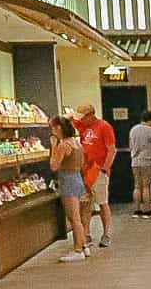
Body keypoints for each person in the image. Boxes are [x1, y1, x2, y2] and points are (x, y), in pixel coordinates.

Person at [73, 103, 117, 248]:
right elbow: (67, 120)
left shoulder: (104, 126)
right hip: (84, 171)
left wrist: (105, 168)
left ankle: (106, 234)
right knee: (85, 203)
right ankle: (86, 234)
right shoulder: (82, 126)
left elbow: (111, 149)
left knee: (102, 202)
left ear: (91, 115)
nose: (80, 121)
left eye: (83, 117)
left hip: (98, 170)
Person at [49, 116, 91, 263]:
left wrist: (54, 146)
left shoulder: (64, 145)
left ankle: (77, 249)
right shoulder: (77, 143)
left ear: (58, 128)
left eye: (53, 128)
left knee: (74, 218)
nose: (52, 131)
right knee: (78, 215)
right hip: (77, 178)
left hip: (67, 180)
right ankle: (84, 245)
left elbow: (54, 165)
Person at [129, 109, 151, 217]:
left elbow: (131, 145)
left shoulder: (133, 129)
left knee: (137, 185)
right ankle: (147, 209)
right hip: (147, 160)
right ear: (150, 120)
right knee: (146, 186)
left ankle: (137, 210)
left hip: (135, 161)